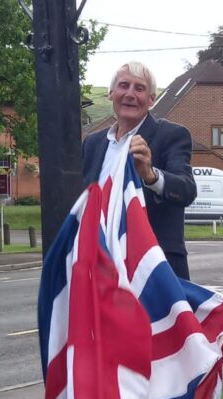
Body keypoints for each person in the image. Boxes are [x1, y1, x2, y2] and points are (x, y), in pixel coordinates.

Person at [82, 61, 198, 279]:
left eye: (139, 88)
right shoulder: (92, 144)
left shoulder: (172, 135)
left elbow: (186, 190)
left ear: (151, 100)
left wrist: (150, 175)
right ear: (111, 93)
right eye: (124, 85)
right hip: (102, 267)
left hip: (153, 270)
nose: (130, 94)